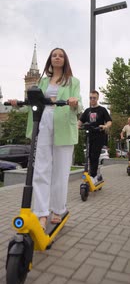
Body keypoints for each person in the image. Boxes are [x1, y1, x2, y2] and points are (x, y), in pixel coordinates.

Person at [9, 48, 82, 230]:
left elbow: (79, 105)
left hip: (64, 124)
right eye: (54, 55)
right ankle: (41, 212)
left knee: (61, 170)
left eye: (61, 55)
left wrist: (74, 102)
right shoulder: (42, 81)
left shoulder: (73, 81)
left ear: (65, 60)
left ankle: (58, 209)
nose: (57, 57)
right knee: (41, 169)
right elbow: (33, 102)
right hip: (43, 123)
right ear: (50, 60)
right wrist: (17, 104)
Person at [78, 90, 112, 184]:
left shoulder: (102, 110)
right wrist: (77, 126)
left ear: (97, 98)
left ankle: (93, 176)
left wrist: (105, 126)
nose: (92, 99)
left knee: (94, 156)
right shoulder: (87, 111)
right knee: (88, 156)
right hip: (89, 136)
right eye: (90, 98)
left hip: (99, 136)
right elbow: (80, 121)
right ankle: (94, 173)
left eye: (94, 98)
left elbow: (109, 121)